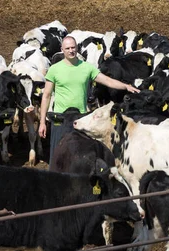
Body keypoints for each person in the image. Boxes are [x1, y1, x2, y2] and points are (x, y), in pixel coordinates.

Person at [38, 35, 139, 164]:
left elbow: (107, 81)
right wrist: (42, 122)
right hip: (60, 119)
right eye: (67, 48)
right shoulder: (54, 69)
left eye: (73, 47)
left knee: (81, 154)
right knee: (58, 154)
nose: (71, 51)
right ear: (62, 49)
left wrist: (126, 86)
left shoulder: (87, 68)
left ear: (77, 48)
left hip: (81, 117)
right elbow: (46, 96)